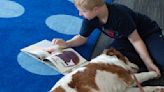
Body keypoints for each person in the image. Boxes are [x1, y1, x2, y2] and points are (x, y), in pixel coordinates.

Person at [49, 0, 164, 76]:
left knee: (161, 61)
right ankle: (146, 54)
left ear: (96, 9)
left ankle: (149, 54)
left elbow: (136, 40)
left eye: (83, 11)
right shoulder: (90, 18)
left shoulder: (120, 15)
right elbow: (82, 38)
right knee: (108, 59)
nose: (80, 14)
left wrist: (148, 62)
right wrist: (67, 43)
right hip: (124, 39)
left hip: (147, 33)